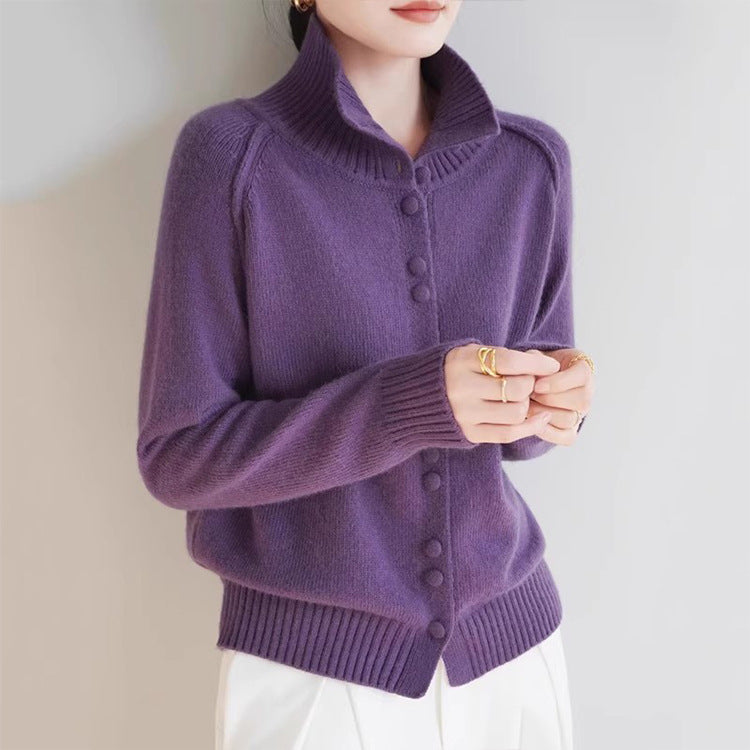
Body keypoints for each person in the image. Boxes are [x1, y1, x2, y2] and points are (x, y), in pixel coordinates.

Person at [136, 0, 596, 747]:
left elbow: (523, 431)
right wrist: (414, 403)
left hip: (515, 661)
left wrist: (554, 403)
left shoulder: (530, 163)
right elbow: (178, 456)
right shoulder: (231, 159)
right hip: (314, 682)